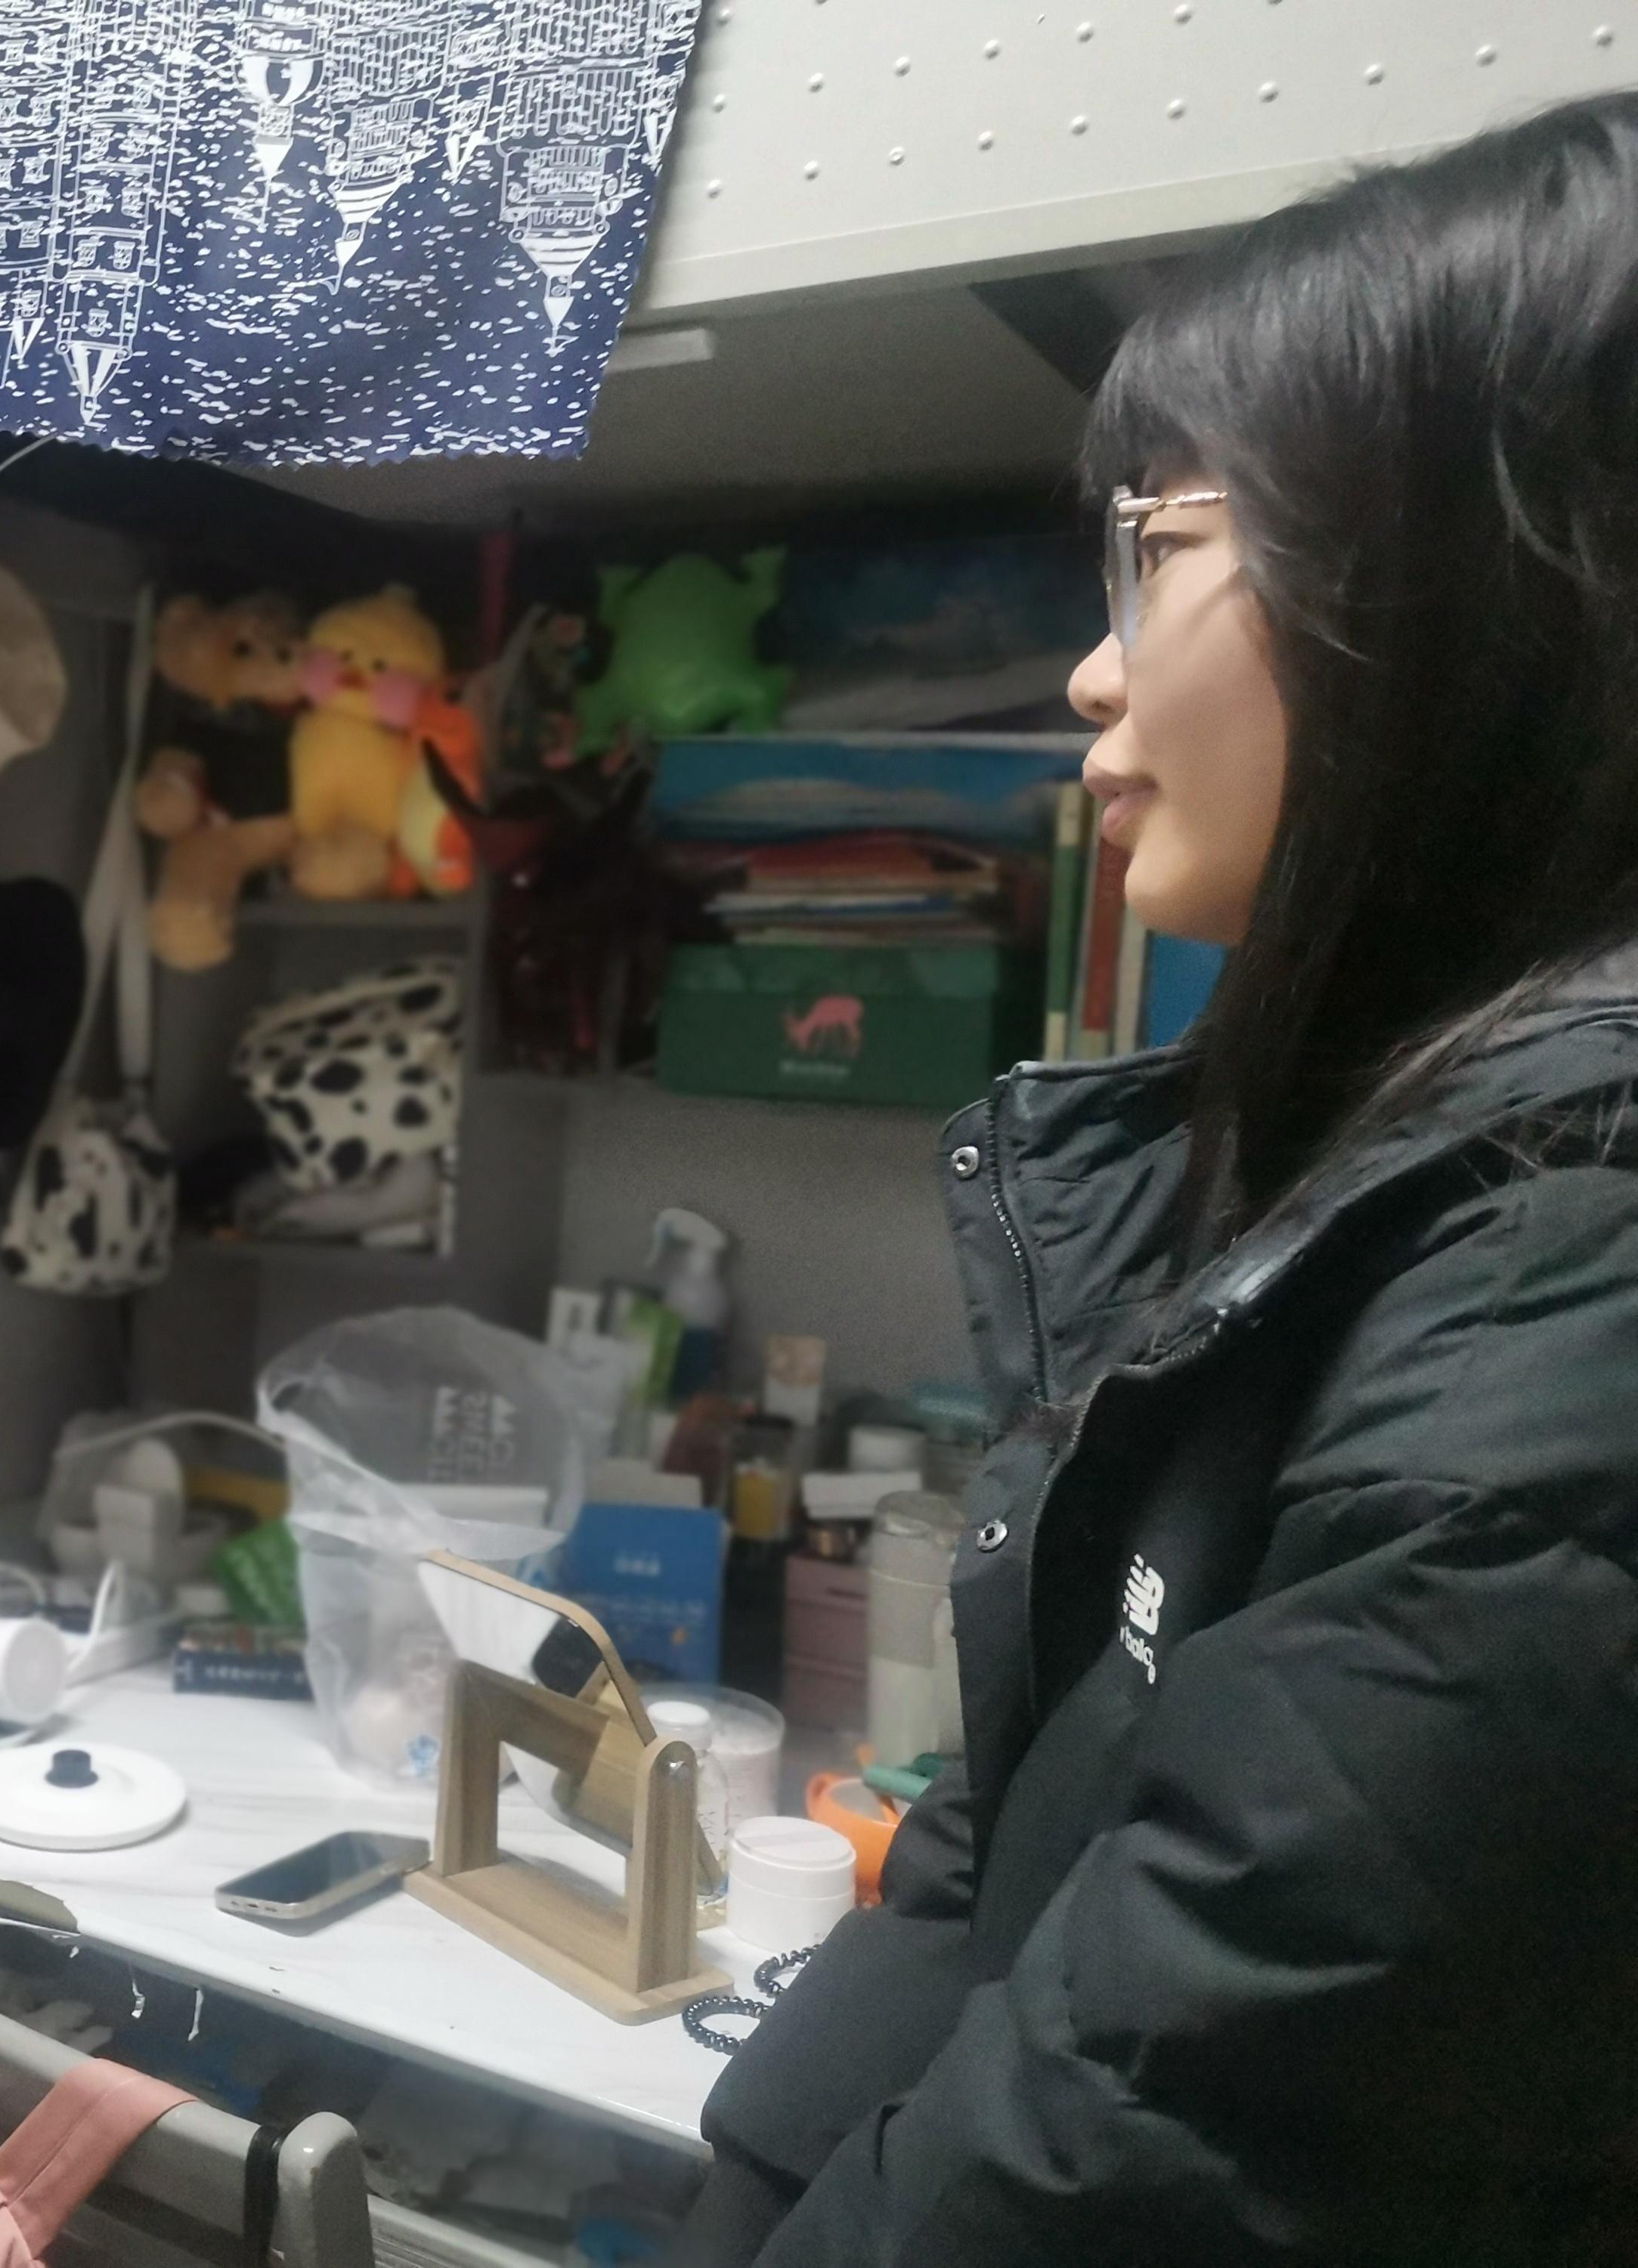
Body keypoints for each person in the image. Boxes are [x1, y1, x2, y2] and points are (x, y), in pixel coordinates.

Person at [678, 95, 1638, 2267]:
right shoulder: (1377, 1174)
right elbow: (1002, 1837)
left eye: (1159, 546)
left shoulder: (1568, 1279)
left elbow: (1143, 2136)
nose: (1094, 667)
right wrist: (741, 2197)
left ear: (1459, 586)